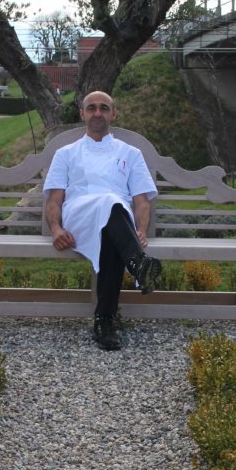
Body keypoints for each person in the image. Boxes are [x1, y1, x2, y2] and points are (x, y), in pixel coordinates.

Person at [43, 90, 162, 350]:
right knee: (110, 202)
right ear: (83, 114)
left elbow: (141, 200)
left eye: (104, 108)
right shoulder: (66, 154)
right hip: (78, 216)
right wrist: (55, 228)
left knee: (111, 219)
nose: (98, 113)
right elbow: (54, 200)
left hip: (116, 221)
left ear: (114, 114)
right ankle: (137, 263)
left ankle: (104, 322)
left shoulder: (131, 154)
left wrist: (140, 231)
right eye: (92, 108)